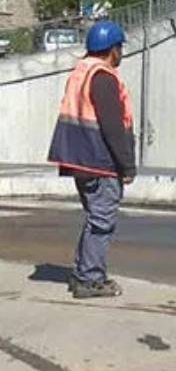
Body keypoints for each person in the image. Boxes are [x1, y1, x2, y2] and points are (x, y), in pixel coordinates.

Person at [47, 21, 136, 299]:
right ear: (112, 49)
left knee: (95, 218)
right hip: (100, 161)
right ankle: (90, 278)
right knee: (101, 221)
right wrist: (127, 165)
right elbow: (112, 126)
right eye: (120, 47)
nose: (121, 53)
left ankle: (83, 272)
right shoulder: (103, 77)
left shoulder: (82, 72)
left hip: (81, 159)